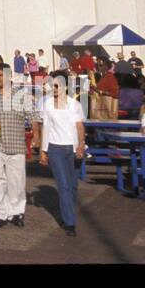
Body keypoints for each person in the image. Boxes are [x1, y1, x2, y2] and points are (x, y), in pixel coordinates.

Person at [0, 58, 38, 225]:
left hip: (16, 143)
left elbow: (33, 117)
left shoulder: (21, 95)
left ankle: (16, 212)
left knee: (16, 180)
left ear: (9, 76)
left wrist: (37, 138)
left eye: (2, 76)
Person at [34, 72, 86, 235]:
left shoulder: (75, 105)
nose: (53, 88)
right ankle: (70, 223)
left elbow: (79, 126)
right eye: (51, 85)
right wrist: (43, 151)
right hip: (55, 149)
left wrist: (81, 145)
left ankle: (68, 211)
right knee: (63, 186)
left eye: (56, 85)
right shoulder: (47, 104)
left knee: (72, 186)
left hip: (72, 148)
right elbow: (46, 127)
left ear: (64, 87)